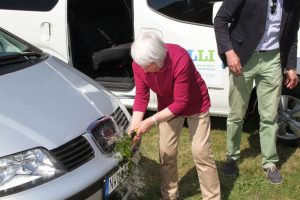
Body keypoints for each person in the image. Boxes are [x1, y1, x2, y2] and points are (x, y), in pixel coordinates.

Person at [214, 0, 300, 184]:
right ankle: (232, 157)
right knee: (237, 113)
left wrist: (291, 65)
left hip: (273, 59)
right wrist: (229, 52)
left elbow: (292, 34)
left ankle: (269, 163)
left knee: (269, 115)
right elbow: (220, 19)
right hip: (243, 57)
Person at [127, 32, 221, 200]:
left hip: (195, 104)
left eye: (147, 66)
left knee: (201, 153)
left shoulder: (179, 58)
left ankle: (212, 197)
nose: (143, 69)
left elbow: (181, 103)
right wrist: (134, 128)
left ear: (158, 60)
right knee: (166, 153)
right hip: (167, 107)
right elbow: (141, 97)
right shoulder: (139, 64)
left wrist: (152, 120)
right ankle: (169, 196)